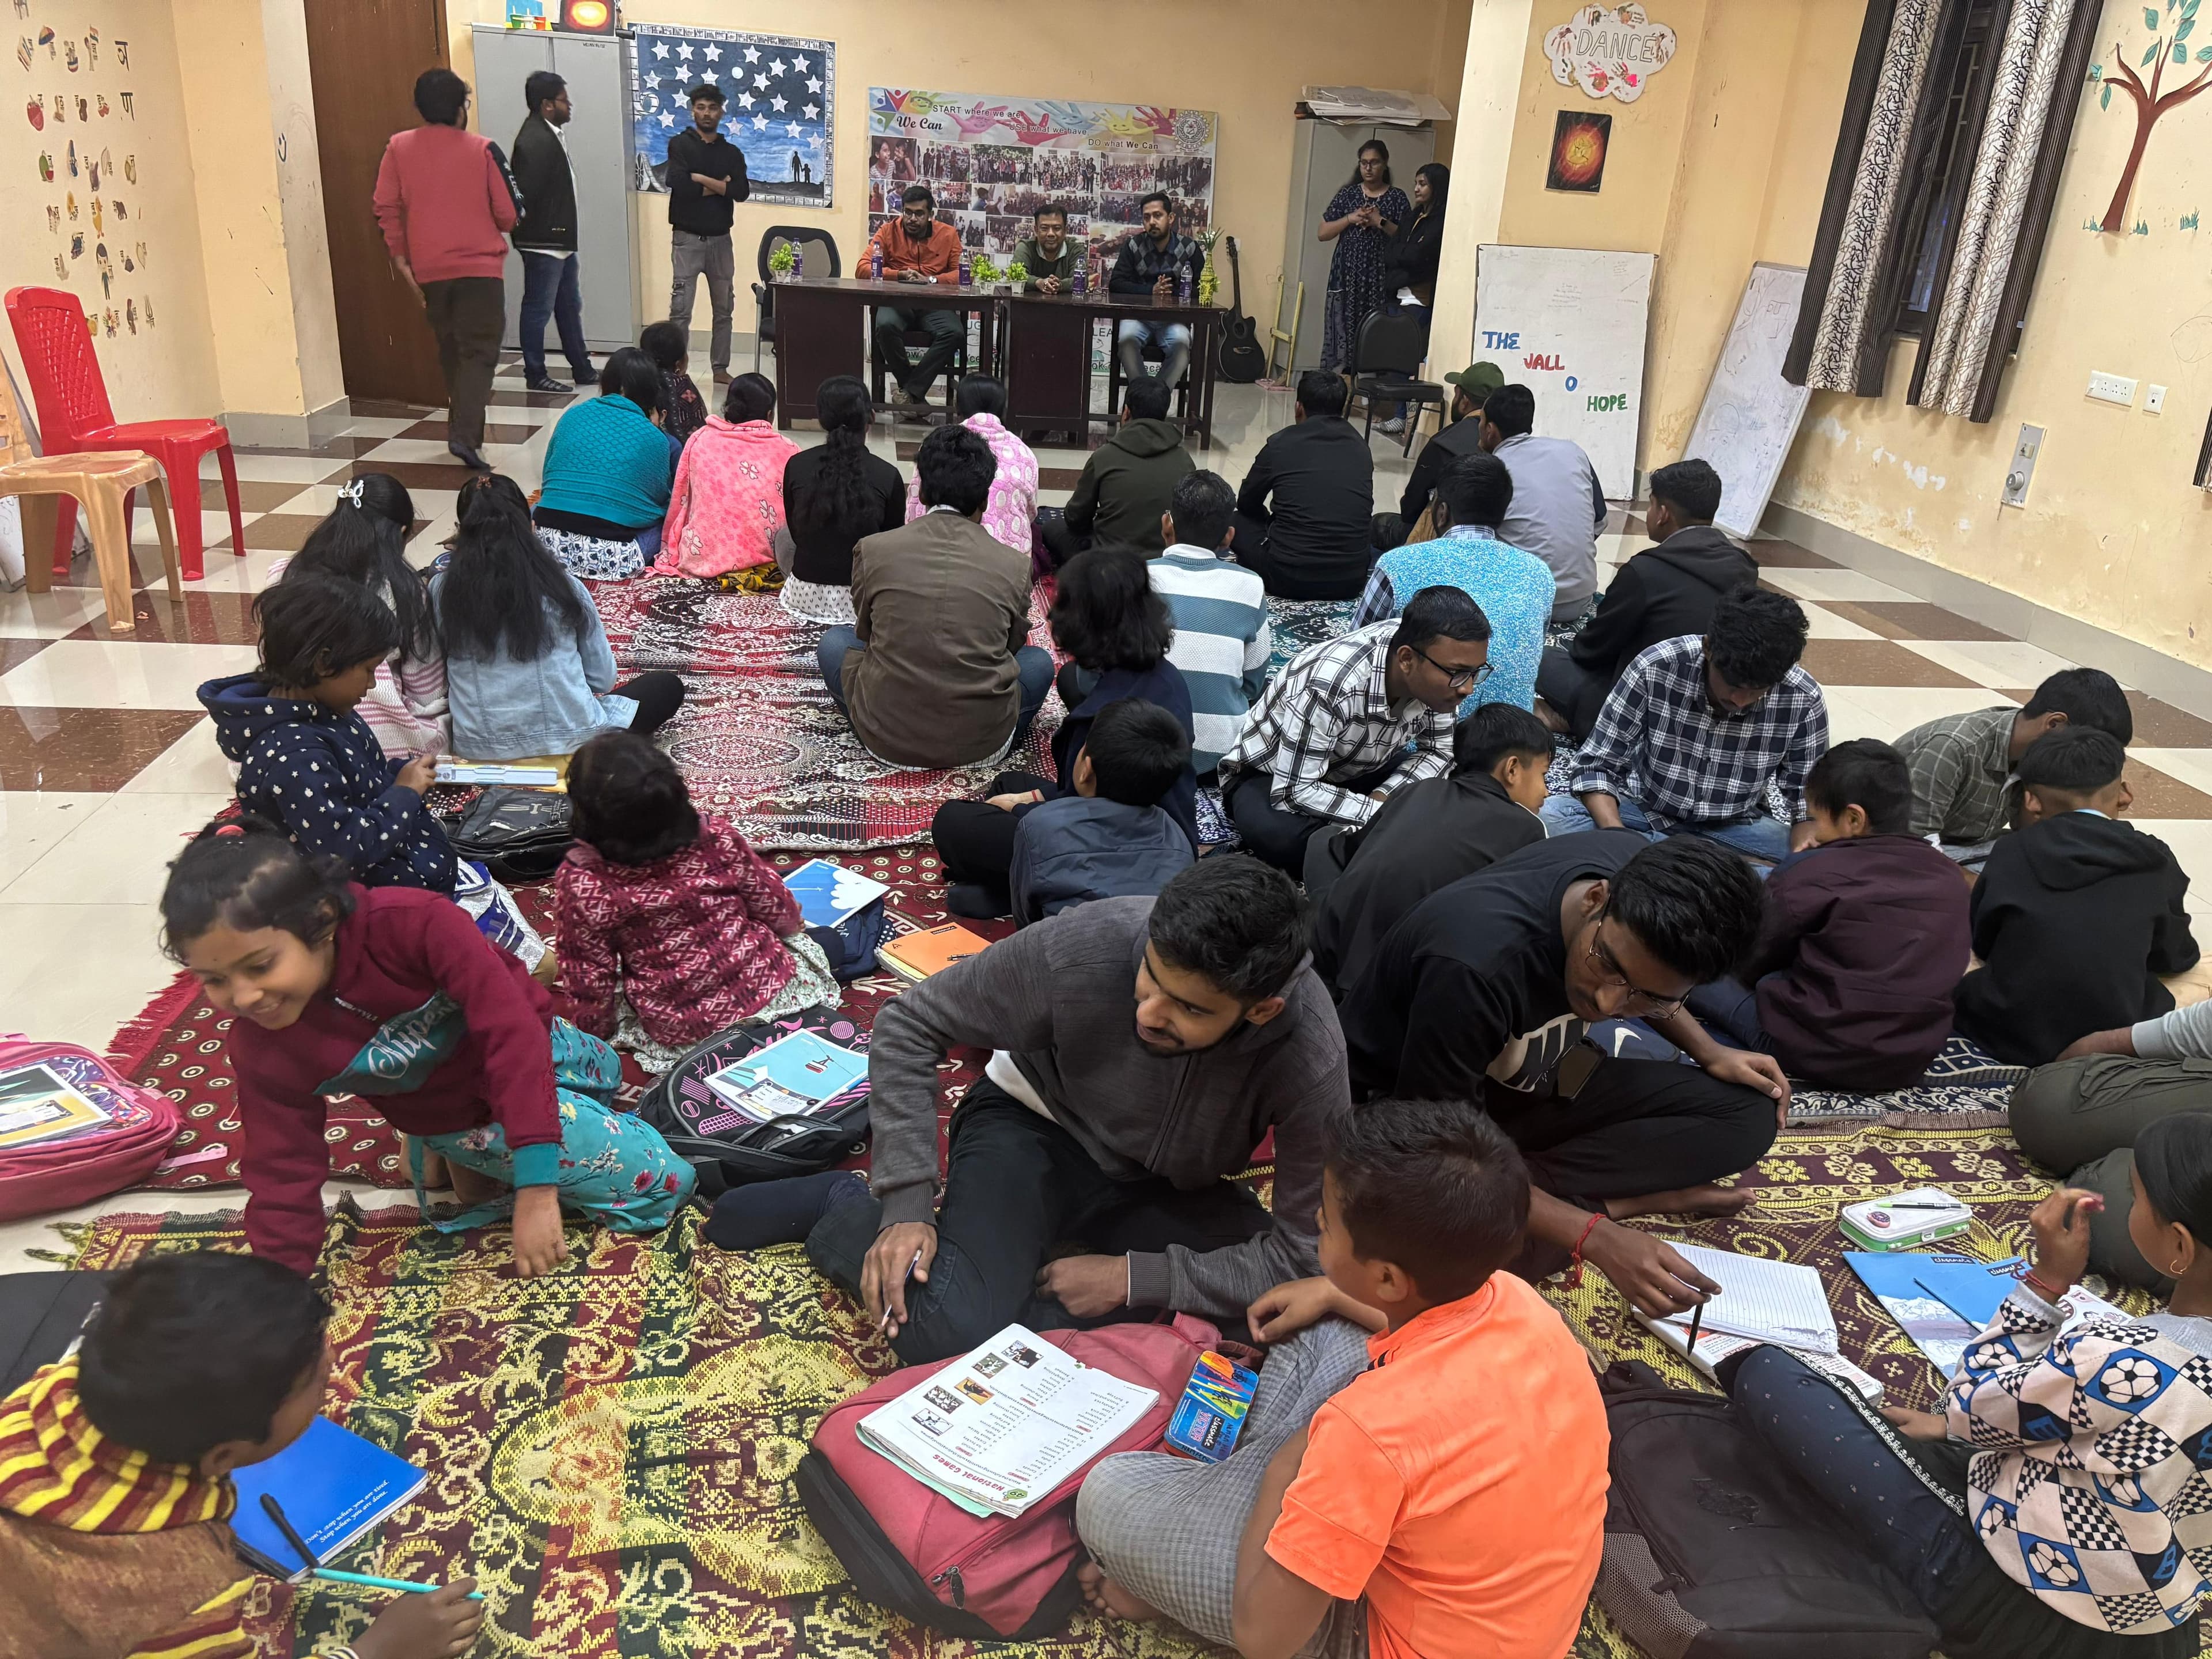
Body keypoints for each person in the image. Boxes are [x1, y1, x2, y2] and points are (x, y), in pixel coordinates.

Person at [703, 858, 1350, 1366]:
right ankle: (840, 1207)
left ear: (1261, 1010)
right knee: (952, 1327)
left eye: (1190, 1009)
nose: (1149, 1012)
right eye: (1150, 976)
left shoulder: (1309, 1055)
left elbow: (1302, 1255)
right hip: (1032, 1122)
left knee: (1280, 1323)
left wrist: (1133, 1279)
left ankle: (1018, 1305)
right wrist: (903, 1201)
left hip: (1166, 1182)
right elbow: (909, 1023)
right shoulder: (1090, 943)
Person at [1074, 1100, 1606, 1659]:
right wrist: (1330, 1290)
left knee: (1108, 1491)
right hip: (1496, 1599)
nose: (1311, 1226)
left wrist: (1290, 1464)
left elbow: (1266, 1641)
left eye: (1324, 1224)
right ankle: (1233, 1503)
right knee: (1328, 1328)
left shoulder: (1367, 1435)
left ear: (1387, 1276)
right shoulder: (1518, 1300)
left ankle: (1216, 1524)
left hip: (1372, 1636)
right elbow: (1402, 1341)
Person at [161, 820, 695, 1275]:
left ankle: (446, 1153)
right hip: (452, 1110)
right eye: (214, 979)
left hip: (524, 1040)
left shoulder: (416, 922)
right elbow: (281, 1167)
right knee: (667, 1183)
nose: (244, 997)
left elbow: (510, 1032)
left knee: (606, 1072)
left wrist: (537, 1186)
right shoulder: (264, 1047)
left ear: (321, 922)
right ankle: (441, 1145)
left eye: (259, 966)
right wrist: (277, 1285)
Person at [1737, 1164, 2210, 1658]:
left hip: (2025, 1600)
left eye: (2136, 1200)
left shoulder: (2129, 1359)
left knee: (1770, 1373)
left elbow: (1973, 1400)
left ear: (2179, 1246)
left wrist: (2046, 1281)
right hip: (2158, 1627)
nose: (2127, 1207)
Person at [1336, 832, 1786, 1319]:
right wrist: (1596, 1236)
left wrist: (1711, 1050)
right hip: (1412, 1109)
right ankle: (1620, 1203)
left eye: (1646, 997)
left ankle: (1528, 1197)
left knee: (1749, 1112)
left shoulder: (1638, 869)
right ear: (1598, 898)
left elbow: (1645, 976)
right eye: (1606, 965)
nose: (1608, 1006)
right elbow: (1438, 1158)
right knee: (1446, 1267)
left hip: (1532, 1076)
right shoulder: (1471, 964)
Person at [0, 1252, 486, 1659]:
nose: (336, 1365)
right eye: (314, 1384)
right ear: (223, 1456)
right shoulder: (176, 1592)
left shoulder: (59, 1385)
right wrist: (378, 1650)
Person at [1682, 738, 1972, 1093]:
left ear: (1853, 818)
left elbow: (1750, 962)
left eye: (1816, 818)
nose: (1813, 831)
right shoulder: (1951, 879)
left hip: (1809, 1049)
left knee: (1683, 953)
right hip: (1908, 1060)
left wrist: (1799, 870)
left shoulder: (1816, 872)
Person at [932, 546, 1198, 917]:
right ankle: (1008, 884)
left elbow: (1085, 818)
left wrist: (1027, 808)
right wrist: (1031, 799)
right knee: (1008, 783)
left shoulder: (1101, 722)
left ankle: (1026, 889)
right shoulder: (1166, 678)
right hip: (1163, 834)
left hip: (1112, 851)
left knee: (953, 822)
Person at [554, 731, 838, 1072]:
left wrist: (596, 1035)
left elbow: (588, 977)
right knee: (830, 942)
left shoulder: (584, 882)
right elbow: (778, 910)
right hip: (774, 993)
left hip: (685, 1031)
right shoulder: (715, 837)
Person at [1952, 728, 2196, 1069]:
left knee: (1967, 984)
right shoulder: (2155, 858)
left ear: (2031, 800)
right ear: (2123, 793)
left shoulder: (2012, 850)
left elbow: (1984, 939)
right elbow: (2175, 956)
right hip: (2114, 1031)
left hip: (2011, 1033)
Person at [199, 578, 455, 895]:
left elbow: (361, 781)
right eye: (368, 669)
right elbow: (346, 853)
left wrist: (402, 773)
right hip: (341, 895)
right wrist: (405, 792)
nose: (373, 684)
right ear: (323, 663)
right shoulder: (294, 757)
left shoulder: (326, 709)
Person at [817, 423, 1050, 769]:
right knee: (1039, 663)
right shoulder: (1014, 564)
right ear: (985, 499)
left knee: (835, 642)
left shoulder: (874, 550)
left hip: (885, 735)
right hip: (980, 741)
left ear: (922, 491)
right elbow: (1011, 646)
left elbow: (866, 633)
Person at [1543, 587, 1828, 862]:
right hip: (1646, 810)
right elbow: (1597, 765)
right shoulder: (1656, 667)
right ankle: (1716, 870)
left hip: (1738, 825)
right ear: (1708, 649)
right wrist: (1617, 837)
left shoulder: (1803, 697)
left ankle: (1663, 864)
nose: (1741, 701)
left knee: (1825, 865)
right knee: (1553, 817)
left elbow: (1808, 796)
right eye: (1733, 685)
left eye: (1759, 690)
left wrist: (1803, 850)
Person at [1216, 588, 1488, 874]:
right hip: (1273, 775)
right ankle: (1389, 846)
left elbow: (1439, 751)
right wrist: (1382, 814)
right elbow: (1294, 792)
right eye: (1458, 673)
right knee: (1282, 838)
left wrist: (1384, 797)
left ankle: (1368, 845)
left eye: (1475, 672)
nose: (1467, 688)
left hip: (1358, 767)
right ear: (1406, 660)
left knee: (1460, 783)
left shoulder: (1436, 663)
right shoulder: (1331, 685)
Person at [433, 474, 684, 757]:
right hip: (576, 744)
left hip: (482, 749)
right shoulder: (564, 586)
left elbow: (435, 673)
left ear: (459, 532)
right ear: (530, 526)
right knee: (666, 687)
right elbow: (602, 680)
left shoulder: (441, 590)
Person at [1309, 702, 1551, 993]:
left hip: (1326, 947)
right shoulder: (1530, 828)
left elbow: (1353, 852)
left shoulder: (1422, 788)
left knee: (1323, 840)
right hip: (1401, 979)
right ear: (1512, 769)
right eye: (1544, 775)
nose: (1547, 790)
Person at [1537, 458, 1754, 740]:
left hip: (1641, 710)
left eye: (1651, 504)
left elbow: (1591, 650)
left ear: (1663, 513)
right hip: (1711, 706)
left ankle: (1575, 716)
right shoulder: (1745, 569)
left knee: (1541, 658)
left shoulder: (1645, 571)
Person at [371, 68, 517, 473]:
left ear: (419, 107)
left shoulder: (398, 148)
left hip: (431, 271)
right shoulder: (484, 149)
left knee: (453, 350)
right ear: (460, 108)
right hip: (480, 272)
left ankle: (461, 429)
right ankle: (465, 438)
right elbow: (507, 216)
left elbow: (384, 205)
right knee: (480, 352)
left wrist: (400, 254)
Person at [1354, 452, 1552, 714]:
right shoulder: (1539, 573)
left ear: (1441, 512)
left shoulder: (1399, 564)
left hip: (1411, 740)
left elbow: (1358, 650)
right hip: (1509, 740)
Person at [278, 472, 446, 758]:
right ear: (401, 532)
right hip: (375, 725)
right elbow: (424, 686)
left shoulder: (284, 572)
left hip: (291, 719)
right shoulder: (404, 588)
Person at [1894, 666, 2134, 865]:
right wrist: (1977, 889)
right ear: (2054, 725)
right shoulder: (1953, 747)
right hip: (1905, 853)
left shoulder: (2042, 755)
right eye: (2087, 750)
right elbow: (1911, 846)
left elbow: (2034, 830)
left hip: (1974, 847)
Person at [1009, 698, 1197, 928]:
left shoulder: (1038, 825)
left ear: (1085, 771)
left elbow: (1027, 918)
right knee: (1009, 783)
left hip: (1064, 954)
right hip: (1149, 954)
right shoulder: (1177, 836)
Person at [1149, 469, 1270, 777]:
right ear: (1228, 537)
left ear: (1167, 525)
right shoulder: (1251, 586)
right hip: (1220, 756)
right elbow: (1254, 682)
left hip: (1142, 752)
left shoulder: (1136, 576)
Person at [532, 347, 675, 580]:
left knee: (547, 503)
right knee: (668, 522)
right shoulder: (655, 437)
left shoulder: (572, 415)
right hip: (614, 559)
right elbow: (657, 503)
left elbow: (549, 478)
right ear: (651, 391)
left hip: (546, 549)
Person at [1232, 371, 1376, 600]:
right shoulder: (1361, 447)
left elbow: (1247, 502)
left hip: (1288, 578)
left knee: (1237, 520)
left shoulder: (1281, 443)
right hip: (1352, 579)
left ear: (1299, 408)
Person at [777, 374, 904, 625]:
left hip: (803, 595)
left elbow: (796, 531)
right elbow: (891, 544)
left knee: (782, 537)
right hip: (862, 601)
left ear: (822, 419)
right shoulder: (888, 474)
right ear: (871, 418)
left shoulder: (797, 464)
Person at [655, 372, 798, 582]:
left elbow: (682, 502)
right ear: (770, 415)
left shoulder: (700, 440)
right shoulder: (788, 449)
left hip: (703, 557)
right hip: (771, 560)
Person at [1482, 384, 1607, 625]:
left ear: (1489, 430)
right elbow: (1600, 522)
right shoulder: (1573, 451)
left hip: (1521, 603)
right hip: (1580, 599)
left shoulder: (1494, 468)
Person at [1041, 376, 1194, 566]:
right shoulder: (1185, 460)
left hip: (1109, 564)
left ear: (1126, 412)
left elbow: (1076, 519)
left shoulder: (1104, 456)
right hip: (1166, 560)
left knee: (1051, 527)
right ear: (1164, 415)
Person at [507, 68, 594, 396]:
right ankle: (536, 372)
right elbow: (530, 196)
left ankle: (582, 368)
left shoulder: (549, 134)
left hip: (558, 242)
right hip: (544, 242)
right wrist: (553, 230)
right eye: (563, 100)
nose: (569, 105)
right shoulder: (534, 140)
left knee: (569, 306)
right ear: (547, 105)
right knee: (538, 309)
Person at [665, 81, 748, 388]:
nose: (707, 113)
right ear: (692, 110)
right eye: (701, 107)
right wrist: (719, 185)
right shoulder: (680, 145)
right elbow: (679, 185)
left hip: (721, 241)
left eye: (712, 108)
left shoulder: (731, 152)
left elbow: (741, 191)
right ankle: (676, 368)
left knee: (724, 309)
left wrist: (699, 178)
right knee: (681, 310)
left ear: (721, 112)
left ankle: (720, 368)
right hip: (687, 239)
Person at [902, 374, 1039, 557]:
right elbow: (1029, 512)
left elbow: (914, 506)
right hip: (1006, 564)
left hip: (928, 553)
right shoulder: (1024, 453)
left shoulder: (937, 444)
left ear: (959, 408)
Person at [1317, 139, 1408, 374]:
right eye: (1364, 163)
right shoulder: (1348, 194)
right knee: (1343, 329)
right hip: (1346, 275)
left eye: (1374, 163)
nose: (1368, 168)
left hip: (1380, 276)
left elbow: (1405, 238)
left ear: (1385, 164)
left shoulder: (1397, 197)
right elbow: (1323, 233)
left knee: (1376, 330)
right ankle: (1341, 385)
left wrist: (1380, 222)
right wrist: (1350, 219)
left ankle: (1373, 392)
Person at [868, 184, 964, 407]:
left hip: (934, 303)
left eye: (919, 214)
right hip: (898, 302)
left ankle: (910, 393)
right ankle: (913, 391)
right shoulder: (888, 231)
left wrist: (932, 280)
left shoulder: (948, 235)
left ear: (931, 215)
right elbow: (863, 268)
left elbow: (962, 274)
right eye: (908, 213)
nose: (912, 219)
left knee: (954, 332)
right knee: (885, 325)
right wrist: (899, 275)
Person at [1373, 162, 1449, 433]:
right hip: (1397, 293)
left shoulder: (1442, 221)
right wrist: (1404, 253)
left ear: (1436, 187)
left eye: (1423, 184)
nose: (1416, 189)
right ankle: (1397, 413)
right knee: (1391, 353)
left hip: (1420, 297)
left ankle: (1402, 416)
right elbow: (1392, 252)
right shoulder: (1413, 216)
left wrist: (1404, 254)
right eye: (1416, 183)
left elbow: (1420, 257)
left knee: (1404, 356)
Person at [1108, 193, 1202, 389]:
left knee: (1182, 348)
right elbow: (1116, 284)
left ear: (1171, 218)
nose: (1152, 222)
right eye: (1146, 217)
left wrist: (1171, 293)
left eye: (1157, 215)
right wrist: (1150, 291)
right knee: (1126, 343)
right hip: (1138, 317)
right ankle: (1144, 400)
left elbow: (1201, 289)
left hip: (1173, 320)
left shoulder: (1189, 248)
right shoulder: (1133, 246)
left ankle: (1155, 402)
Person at [1395, 362, 1503, 531]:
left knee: (1381, 525)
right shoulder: (1511, 444)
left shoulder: (1444, 444)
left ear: (1464, 401)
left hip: (1445, 538)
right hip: (1497, 540)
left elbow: (1410, 509)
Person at [639, 317, 709, 446]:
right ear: (680, 359)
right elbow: (698, 434)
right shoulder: (683, 386)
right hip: (682, 456)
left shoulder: (635, 381)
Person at [1013, 202, 1080, 293]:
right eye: (1044, 228)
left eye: (1057, 228)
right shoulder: (1026, 247)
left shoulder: (1075, 250)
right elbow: (1016, 276)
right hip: (1029, 306)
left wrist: (1060, 285)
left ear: (1065, 230)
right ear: (1036, 230)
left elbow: (1082, 280)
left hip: (1067, 306)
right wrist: (1038, 282)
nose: (1051, 234)